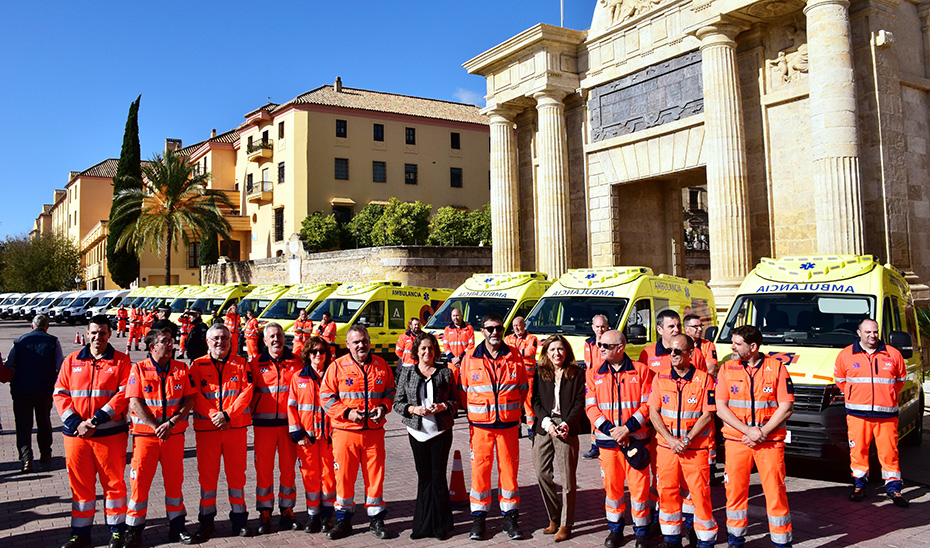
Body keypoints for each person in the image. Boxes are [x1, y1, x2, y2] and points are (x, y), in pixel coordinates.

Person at [54, 315, 131, 548]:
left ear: (110, 334)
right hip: (77, 436)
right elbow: (60, 393)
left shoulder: (121, 361)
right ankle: (80, 534)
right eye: (94, 332)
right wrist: (77, 423)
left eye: (103, 333)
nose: (98, 337)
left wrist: (96, 419)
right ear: (87, 333)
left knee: (114, 484)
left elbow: (124, 394)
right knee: (80, 485)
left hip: (110, 435)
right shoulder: (72, 360)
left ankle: (117, 531)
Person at [715, 325, 793, 548]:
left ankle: (781, 542)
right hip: (736, 441)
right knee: (735, 491)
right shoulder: (727, 368)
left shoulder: (776, 368)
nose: (732, 347)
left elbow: (786, 406)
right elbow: (721, 408)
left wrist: (762, 432)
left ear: (753, 347)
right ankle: (735, 539)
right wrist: (747, 431)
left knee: (775, 491)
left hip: (769, 442)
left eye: (737, 343)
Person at [124, 327, 198, 547]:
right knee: (140, 484)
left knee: (175, 483)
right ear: (152, 346)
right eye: (165, 341)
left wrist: (171, 423)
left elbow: (189, 400)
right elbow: (134, 402)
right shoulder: (138, 369)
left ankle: (177, 528)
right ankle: (134, 530)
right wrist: (156, 426)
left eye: (171, 341)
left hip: (174, 437)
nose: (170, 344)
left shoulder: (182, 369)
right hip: (145, 438)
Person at [320, 325, 396, 540]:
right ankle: (343, 521)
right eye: (356, 342)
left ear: (369, 341)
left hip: (374, 433)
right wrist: (347, 413)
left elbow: (390, 391)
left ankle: (376, 519)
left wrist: (383, 407)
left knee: (375, 478)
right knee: (343, 478)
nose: (361, 345)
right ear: (348, 345)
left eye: (364, 341)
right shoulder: (337, 367)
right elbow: (325, 397)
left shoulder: (382, 365)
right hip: (346, 432)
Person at [458, 312, 528, 541]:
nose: (495, 332)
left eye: (499, 328)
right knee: (480, 473)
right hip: (480, 428)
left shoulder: (515, 355)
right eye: (490, 328)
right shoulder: (470, 357)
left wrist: (516, 412)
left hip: (508, 425)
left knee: (509, 472)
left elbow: (524, 388)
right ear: (482, 331)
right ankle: (479, 520)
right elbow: (463, 391)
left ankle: (510, 519)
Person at [585, 330, 653, 548]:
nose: (600, 348)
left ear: (620, 348)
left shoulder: (641, 371)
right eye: (599, 344)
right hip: (607, 443)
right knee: (612, 490)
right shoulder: (593, 373)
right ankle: (615, 530)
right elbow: (591, 407)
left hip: (635, 440)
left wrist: (627, 428)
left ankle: (642, 532)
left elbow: (648, 405)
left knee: (639, 489)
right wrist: (611, 430)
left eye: (605, 345)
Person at [648, 334, 717, 548]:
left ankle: (705, 541)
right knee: (666, 493)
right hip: (667, 449)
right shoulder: (660, 378)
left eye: (678, 351)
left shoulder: (705, 380)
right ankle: (672, 540)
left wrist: (686, 439)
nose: (673, 355)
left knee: (700, 495)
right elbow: (653, 412)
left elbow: (708, 415)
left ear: (690, 353)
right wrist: (670, 440)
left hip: (695, 449)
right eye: (670, 351)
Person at [189, 324, 255, 539]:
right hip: (208, 430)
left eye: (225, 338)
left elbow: (247, 391)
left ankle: (239, 520)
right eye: (216, 338)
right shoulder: (197, 365)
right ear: (208, 342)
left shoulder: (241, 363)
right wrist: (214, 415)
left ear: (231, 340)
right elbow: (195, 395)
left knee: (237, 477)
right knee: (207, 479)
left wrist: (228, 415)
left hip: (234, 429)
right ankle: (206, 521)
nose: (221, 342)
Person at [834, 318, 909, 507]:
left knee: (889, 452)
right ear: (859, 333)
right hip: (857, 415)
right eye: (868, 332)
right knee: (858, 452)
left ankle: (894, 489)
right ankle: (859, 486)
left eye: (875, 332)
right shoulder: (845, 355)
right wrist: (856, 396)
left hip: (887, 415)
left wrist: (886, 397)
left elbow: (900, 381)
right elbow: (840, 381)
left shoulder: (893, 354)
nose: (872, 336)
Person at [393, 331, 458, 540]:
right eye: (423, 348)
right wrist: (413, 410)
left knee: (438, 477)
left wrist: (442, 406)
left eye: (430, 348)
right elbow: (397, 403)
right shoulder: (408, 372)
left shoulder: (445, 372)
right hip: (417, 432)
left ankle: (441, 526)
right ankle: (421, 525)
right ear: (417, 351)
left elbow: (457, 402)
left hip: (440, 431)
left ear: (435, 351)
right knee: (424, 478)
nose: (427, 352)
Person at [250, 323, 304, 534]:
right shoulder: (255, 364)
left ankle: (287, 510)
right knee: (263, 471)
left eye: (279, 336)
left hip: (289, 427)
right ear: (264, 341)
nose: (276, 340)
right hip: (263, 427)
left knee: (288, 471)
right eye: (271, 336)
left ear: (285, 338)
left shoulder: (296, 363)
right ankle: (264, 512)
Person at [531, 335, 585, 543]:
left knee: (568, 479)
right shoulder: (540, 372)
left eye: (560, 349)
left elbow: (580, 402)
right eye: (552, 350)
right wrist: (546, 422)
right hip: (545, 426)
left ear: (567, 351)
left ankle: (565, 524)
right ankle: (554, 517)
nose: (557, 353)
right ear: (546, 353)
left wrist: (566, 424)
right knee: (541, 473)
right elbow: (535, 400)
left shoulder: (577, 373)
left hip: (566, 426)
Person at [288, 336, 337, 534]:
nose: (318, 354)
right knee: (310, 477)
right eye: (314, 351)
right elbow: (291, 408)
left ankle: (327, 517)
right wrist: (298, 433)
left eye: (321, 351)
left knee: (329, 477)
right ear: (307, 354)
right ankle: (313, 516)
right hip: (306, 439)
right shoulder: (298, 377)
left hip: (329, 438)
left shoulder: (334, 376)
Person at [6, 313, 64, 472]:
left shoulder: (19, 342)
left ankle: (26, 459)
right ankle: (45, 454)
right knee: (44, 421)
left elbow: (10, 364)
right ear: (47, 327)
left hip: (21, 390)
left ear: (32, 326)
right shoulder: (53, 341)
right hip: (44, 389)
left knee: (23, 425)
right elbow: (60, 366)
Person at [640, 310, 706, 374]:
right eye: (671, 327)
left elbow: (705, 380)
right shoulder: (647, 354)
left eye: (679, 326)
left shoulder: (695, 353)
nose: (677, 330)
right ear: (660, 330)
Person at [504, 316, 539, 436]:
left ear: (524, 325)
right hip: (512, 377)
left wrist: (514, 353)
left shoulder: (532, 338)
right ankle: (517, 427)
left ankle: (531, 428)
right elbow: (504, 352)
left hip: (528, 376)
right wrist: (519, 353)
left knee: (528, 402)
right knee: (515, 403)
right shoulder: (508, 338)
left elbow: (531, 351)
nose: (516, 328)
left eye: (519, 325)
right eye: (514, 326)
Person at [583, 314, 610, 459]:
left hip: (606, 383)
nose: (600, 330)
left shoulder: (610, 342)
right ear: (593, 327)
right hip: (592, 384)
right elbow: (589, 367)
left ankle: (604, 442)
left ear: (607, 327)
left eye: (602, 326)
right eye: (597, 327)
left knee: (605, 413)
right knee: (592, 413)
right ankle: (594, 444)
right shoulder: (588, 343)